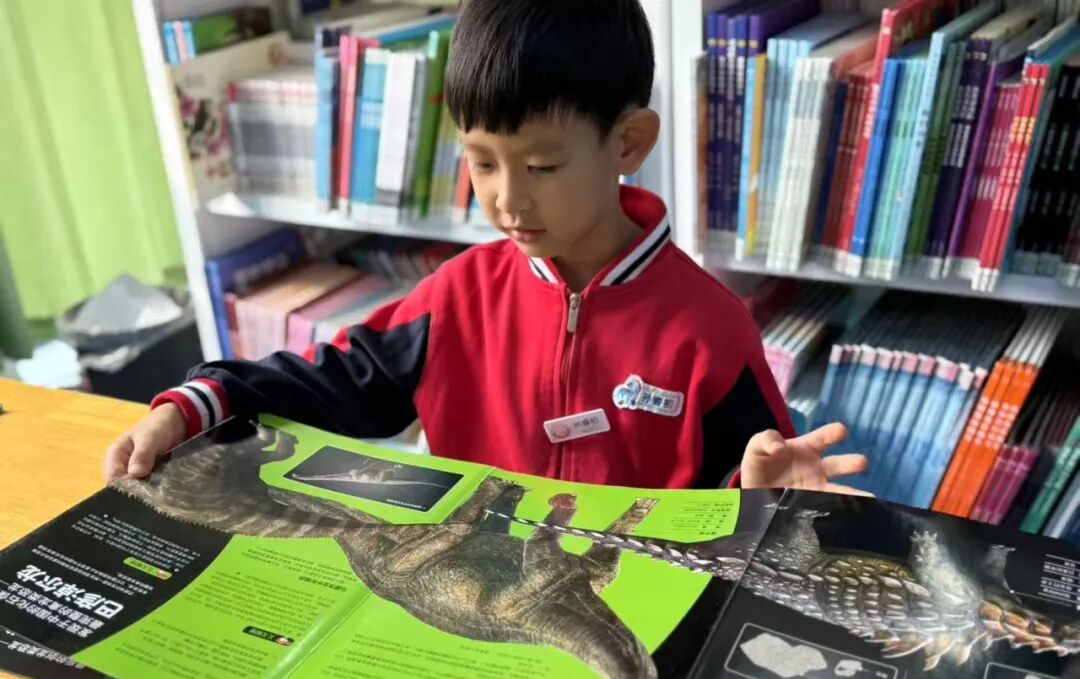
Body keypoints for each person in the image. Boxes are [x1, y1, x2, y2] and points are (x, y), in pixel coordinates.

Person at [105, 0, 867, 494]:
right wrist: (199, 403)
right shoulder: (455, 298)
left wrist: (757, 492)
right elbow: (334, 381)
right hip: (478, 610)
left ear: (628, 143)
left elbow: (754, 480)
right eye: (482, 161)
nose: (507, 198)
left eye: (542, 166)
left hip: (635, 619)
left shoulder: (710, 329)